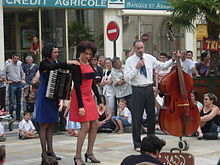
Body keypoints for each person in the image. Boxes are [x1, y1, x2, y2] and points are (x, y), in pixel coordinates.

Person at [124, 40, 177, 151]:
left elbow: (162, 66)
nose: (140, 50)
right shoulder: (129, 61)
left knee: (151, 115)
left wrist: (172, 59)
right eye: (138, 48)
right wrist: (136, 68)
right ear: (134, 49)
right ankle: (137, 143)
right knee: (137, 117)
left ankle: (151, 141)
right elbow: (127, 78)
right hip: (137, 89)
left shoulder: (149, 58)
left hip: (148, 88)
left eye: (142, 47)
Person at [35, 43, 80, 160]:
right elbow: (51, 68)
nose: (57, 54)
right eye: (55, 52)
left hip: (53, 96)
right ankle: (44, 152)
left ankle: (50, 150)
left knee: (50, 124)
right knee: (43, 124)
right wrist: (67, 62)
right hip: (44, 96)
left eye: (57, 52)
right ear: (49, 52)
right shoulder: (44, 63)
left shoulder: (55, 63)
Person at [69, 41, 104, 165]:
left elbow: (93, 83)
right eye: (86, 53)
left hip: (89, 96)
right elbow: (77, 86)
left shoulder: (89, 64)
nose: (88, 56)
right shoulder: (76, 65)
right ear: (80, 52)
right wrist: (80, 106)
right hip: (79, 97)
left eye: (90, 54)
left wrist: (100, 100)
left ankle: (89, 152)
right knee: (85, 126)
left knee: (95, 124)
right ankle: (77, 156)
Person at [3, 53, 26, 120]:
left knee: (19, 101)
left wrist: (23, 79)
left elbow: (22, 72)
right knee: (12, 101)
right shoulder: (8, 65)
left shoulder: (19, 64)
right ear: (12, 58)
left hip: (19, 84)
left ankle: (18, 116)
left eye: (17, 58)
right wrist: (6, 81)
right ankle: (11, 116)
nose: (16, 60)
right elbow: (3, 73)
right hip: (12, 84)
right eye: (15, 58)